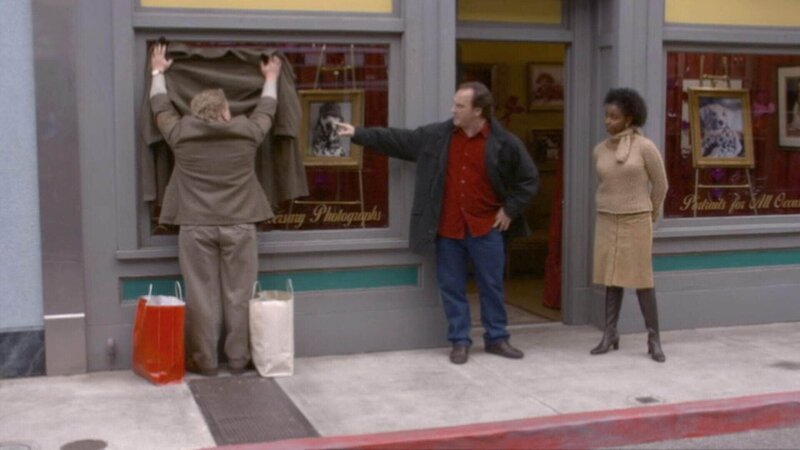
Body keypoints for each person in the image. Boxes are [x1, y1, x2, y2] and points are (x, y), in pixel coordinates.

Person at [337, 82, 538, 365]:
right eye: (454, 103)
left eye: (460, 106)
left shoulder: (505, 142)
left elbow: (528, 180)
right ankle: (460, 341)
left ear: (478, 110)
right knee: (452, 287)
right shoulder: (437, 136)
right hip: (448, 229)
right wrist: (358, 133)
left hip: (486, 228)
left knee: (491, 287)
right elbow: (399, 140)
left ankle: (497, 338)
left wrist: (509, 210)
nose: (453, 110)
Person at [148, 43, 282, 376]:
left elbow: (159, 104)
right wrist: (270, 77)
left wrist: (157, 71)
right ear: (223, 112)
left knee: (201, 296)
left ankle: (205, 361)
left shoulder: (181, 134)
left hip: (195, 226)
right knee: (239, 294)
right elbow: (267, 109)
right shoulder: (246, 132)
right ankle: (238, 359)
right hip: (240, 225)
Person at [590, 87, 668, 363]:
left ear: (629, 118)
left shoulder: (645, 147)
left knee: (642, 279)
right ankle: (610, 333)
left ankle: (654, 339)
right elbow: (606, 185)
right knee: (611, 278)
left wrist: (650, 214)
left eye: (614, 117)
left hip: (636, 220)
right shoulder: (600, 150)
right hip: (607, 218)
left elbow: (661, 185)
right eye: (606, 116)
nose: (608, 121)